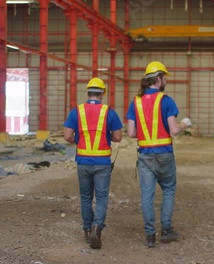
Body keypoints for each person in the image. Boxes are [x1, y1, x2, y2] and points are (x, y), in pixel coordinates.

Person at [126, 61, 192, 248]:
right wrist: (185, 124)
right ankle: (166, 231)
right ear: (158, 79)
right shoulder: (166, 100)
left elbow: (131, 133)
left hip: (145, 155)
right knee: (169, 189)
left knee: (147, 195)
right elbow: (173, 130)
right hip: (164, 154)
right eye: (164, 77)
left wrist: (147, 133)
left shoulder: (136, 102)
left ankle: (149, 236)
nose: (166, 81)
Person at [64, 77, 123, 249]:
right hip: (102, 162)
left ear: (88, 92)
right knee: (102, 196)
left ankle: (86, 229)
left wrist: (79, 139)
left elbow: (67, 136)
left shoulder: (77, 111)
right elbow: (118, 137)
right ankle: (97, 228)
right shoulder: (109, 112)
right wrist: (107, 136)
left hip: (83, 161)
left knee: (86, 197)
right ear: (102, 94)